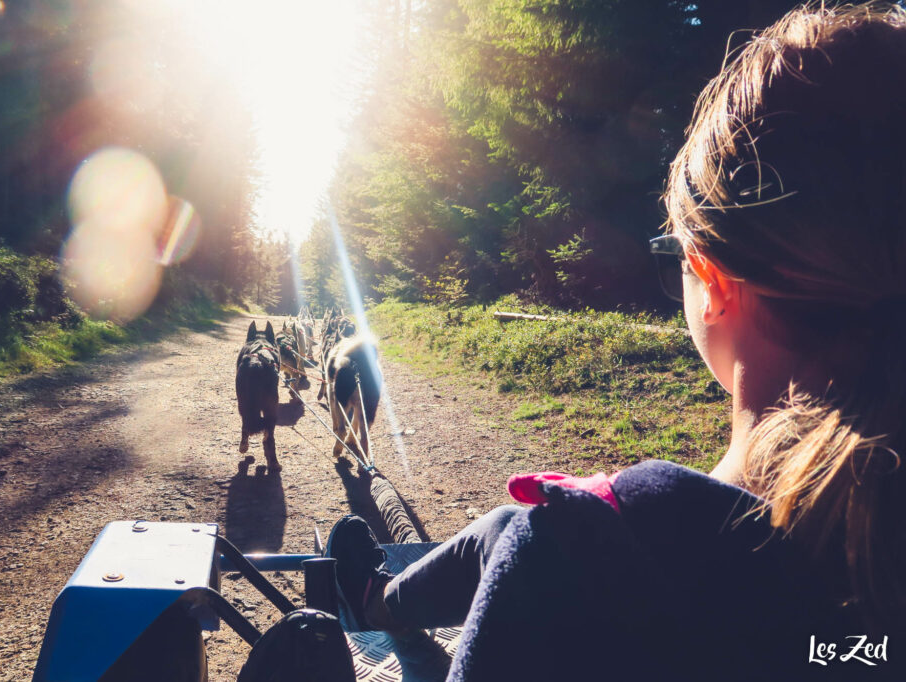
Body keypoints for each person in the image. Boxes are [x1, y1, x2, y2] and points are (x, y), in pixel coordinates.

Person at [326, 4, 906, 680]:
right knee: (516, 527)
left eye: (676, 259)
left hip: (571, 549)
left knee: (532, 529)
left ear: (714, 280)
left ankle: (372, 599)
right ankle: (381, 597)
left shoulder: (575, 562)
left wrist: (590, 517)